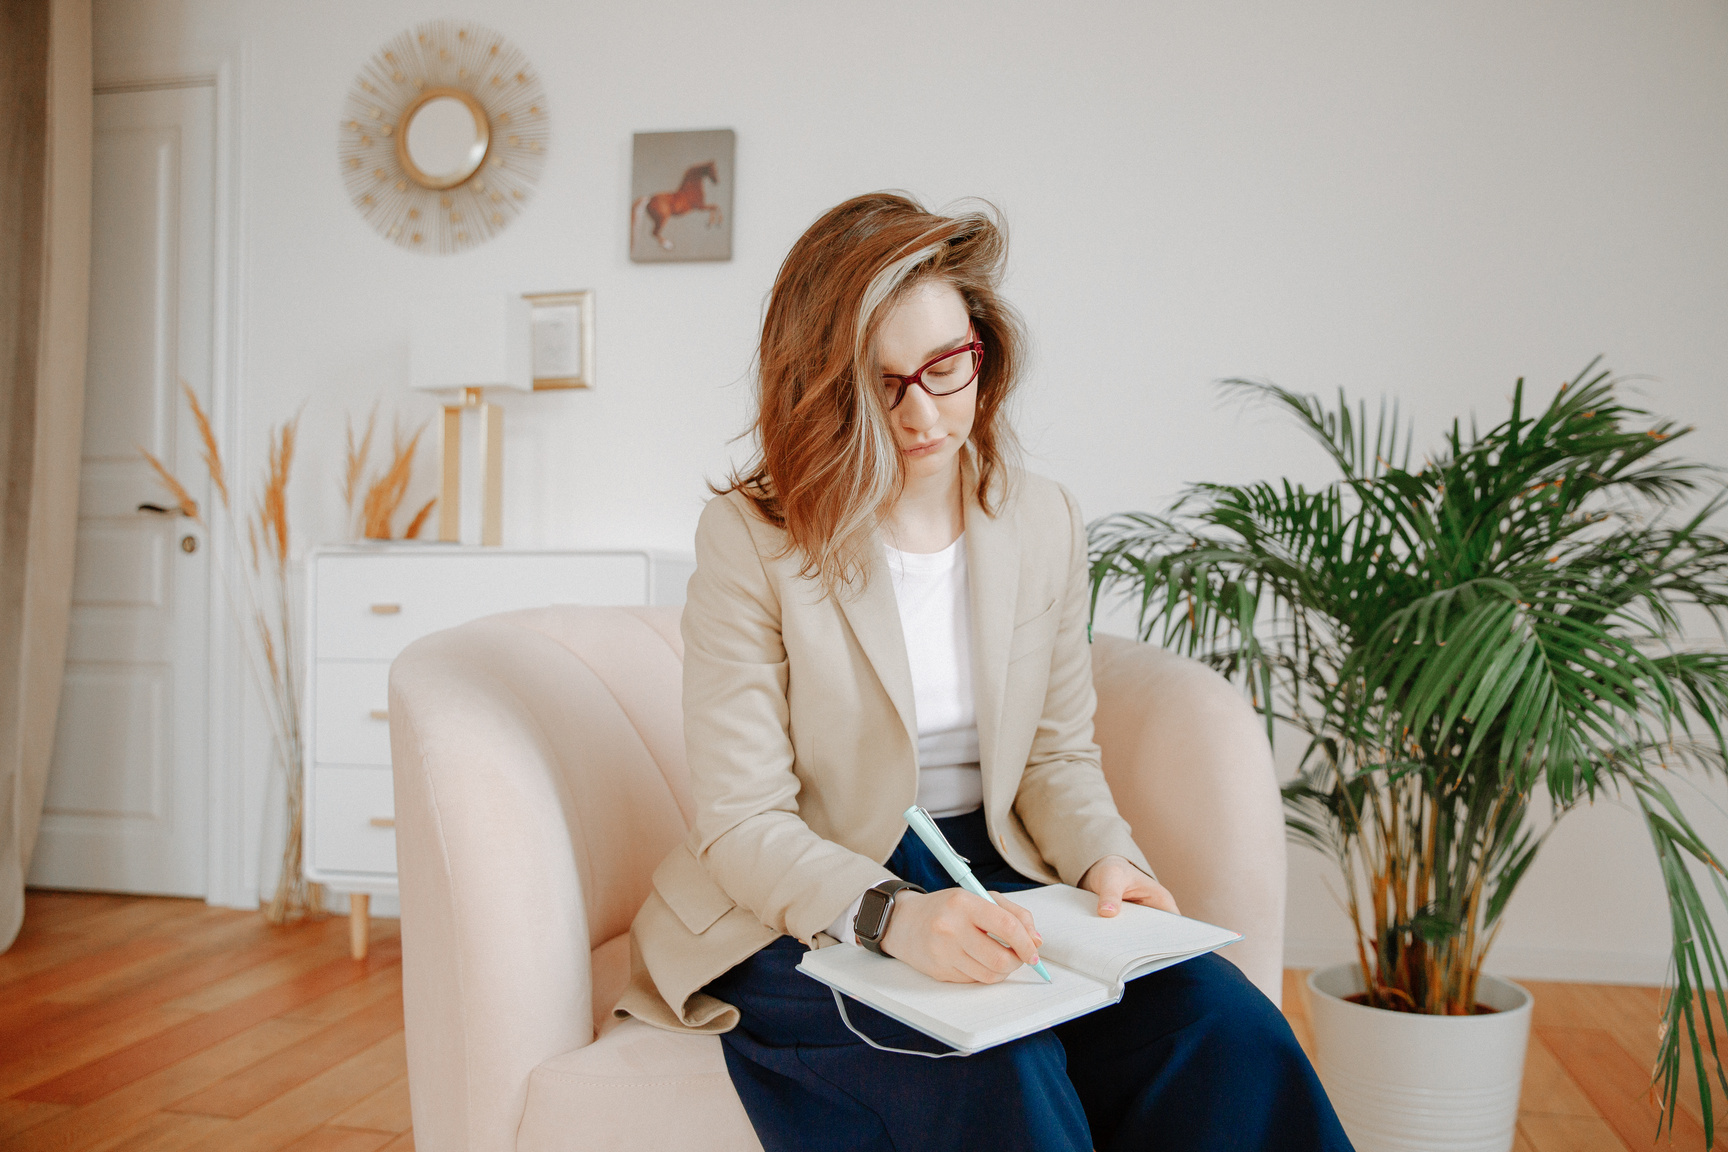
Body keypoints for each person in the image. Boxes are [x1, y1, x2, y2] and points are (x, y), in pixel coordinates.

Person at [618, 192, 1353, 1152]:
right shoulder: (753, 538)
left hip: (1001, 868)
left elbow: (1056, 756)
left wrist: (1107, 860)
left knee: (1228, 1029)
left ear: (984, 350)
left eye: (946, 368)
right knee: (994, 1062)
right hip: (806, 894)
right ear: (822, 388)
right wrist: (895, 918)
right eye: (880, 385)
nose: (923, 413)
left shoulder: (1039, 517)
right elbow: (744, 819)